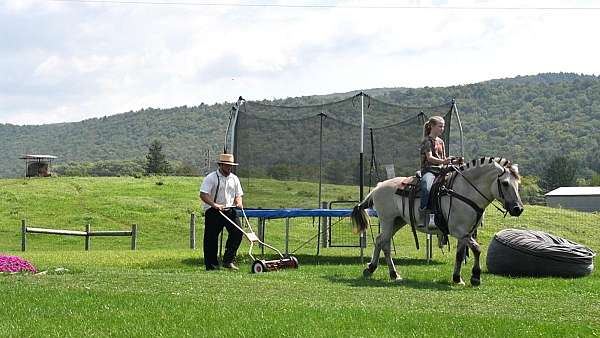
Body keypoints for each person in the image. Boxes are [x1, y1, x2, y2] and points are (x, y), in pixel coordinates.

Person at [199, 153, 244, 271]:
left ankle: (228, 260)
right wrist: (214, 205)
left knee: (238, 233)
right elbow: (203, 194)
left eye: (231, 166)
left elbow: (238, 195)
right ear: (221, 165)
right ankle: (212, 265)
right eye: (227, 166)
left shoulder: (234, 178)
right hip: (214, 211)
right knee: (211, 238)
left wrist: (239, 202)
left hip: (230, 209)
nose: (229, 168)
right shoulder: (211, 177)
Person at [419, 116, 456, 226]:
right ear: (432, 126)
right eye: (440, 126)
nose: (442, 128)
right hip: (429, 170)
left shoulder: (441, 142)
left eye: (443, 126)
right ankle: (422, 213)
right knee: (426, 187)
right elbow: (429, 158)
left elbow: (443, 158)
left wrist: (450, 161)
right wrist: (444, 161)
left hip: (441, 170)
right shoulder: (426, 141)